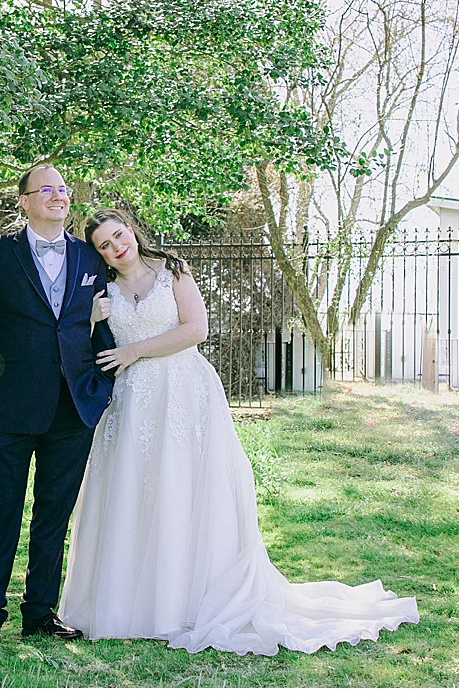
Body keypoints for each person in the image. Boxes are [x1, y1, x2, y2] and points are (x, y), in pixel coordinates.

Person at [59, 208, 419, 655]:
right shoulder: (104, 291)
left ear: (131, 230)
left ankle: (183, 600)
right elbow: (82, 343)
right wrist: (91, 318)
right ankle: (133, 605)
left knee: (184, 489)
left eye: (118, 236)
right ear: (101, 256)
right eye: (104, 246)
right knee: (134, 492)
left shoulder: (173, 269)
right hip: (132, 402)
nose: (116, 248)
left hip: (183, 393)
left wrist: (135, 350)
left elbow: (197, 329)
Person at [0, 164, 117, 653]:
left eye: (62, 189)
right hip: (8, 409)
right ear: (24, 201)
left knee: (54, 514)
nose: (57, 195)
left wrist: (99, 387)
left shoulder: (90, 257)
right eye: (45, 189)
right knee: (0, 511)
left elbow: (101, 328)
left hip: (72, 410)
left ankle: (40, 613)